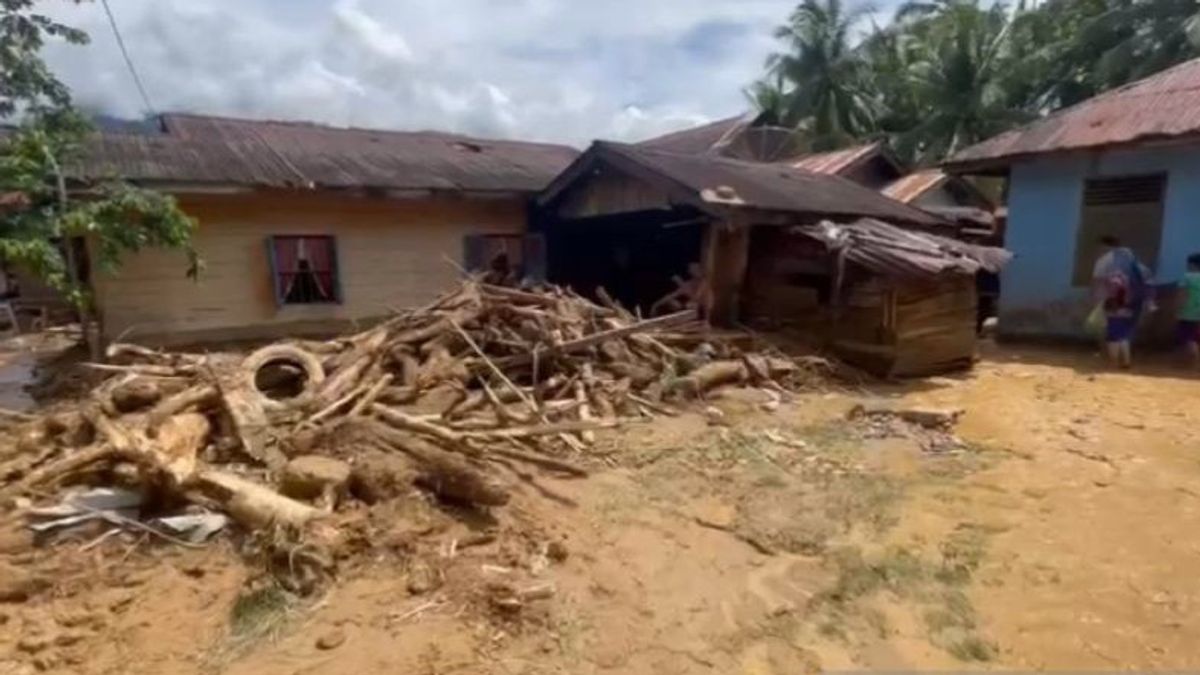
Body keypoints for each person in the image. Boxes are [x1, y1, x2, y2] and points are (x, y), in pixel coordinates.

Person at [1092, 236, 1152, 368]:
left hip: (1114, 301)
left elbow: (1098, 282)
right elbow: (1147, 280)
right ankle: (1126, 360)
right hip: (1134, 302)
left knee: (1113, 333)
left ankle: (1112, 362)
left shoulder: (1104, 260)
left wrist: (1097, 301)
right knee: (1124, 333)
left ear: (1105, 246)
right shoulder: (1134, 261)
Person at [1177, 253, 1200, 366]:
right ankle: (1189, 362)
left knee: (1188, 338)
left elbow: (1183, 295)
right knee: (1195, 337)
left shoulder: (1186, 277)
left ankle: (1195, 363)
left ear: (1192, 264)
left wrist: (1178, 309)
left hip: (1188, 312)